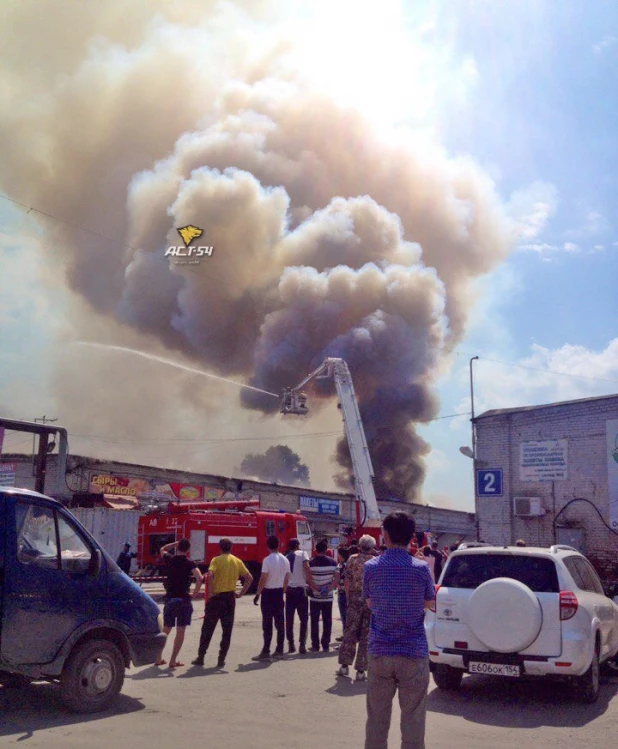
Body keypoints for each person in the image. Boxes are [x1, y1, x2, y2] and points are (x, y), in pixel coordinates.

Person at [363, 511, 436, 749]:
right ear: (412, 537)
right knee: (413, 721)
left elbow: (370, 603)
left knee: (376, 719)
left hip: (380, 650)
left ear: (384, 535)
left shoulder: (371, 567)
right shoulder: (421, 569)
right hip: (413, 651)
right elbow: (429, 602)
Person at [191, 538, 253, 669]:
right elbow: (249, 578)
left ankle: (201, 657)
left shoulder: (216, 560)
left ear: (220, 547)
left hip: (216, 598)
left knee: (207, 628)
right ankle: (221, 659)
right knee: (227, 631)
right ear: (231, 548)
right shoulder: (237, 561)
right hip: (230, 598)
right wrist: (241, 593)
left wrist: (211, 592)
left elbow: (210, 575)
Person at [156, 538, 203, 669]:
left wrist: (175, 544)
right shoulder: (190, 563)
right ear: (188, 550)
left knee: (166, 629)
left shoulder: (170, 559)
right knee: (180, 630)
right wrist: (194, 594)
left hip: (170, 599)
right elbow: (200, 578)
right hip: (183, 599)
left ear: (177, 548)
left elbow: (162, 549)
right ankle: (172, 660)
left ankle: (158, 657)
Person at [336, 534, 375, 681]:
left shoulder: (352, 559)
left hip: (354, 598)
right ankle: (361, 670)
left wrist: (347, 597)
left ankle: (344, 666)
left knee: (350, 632)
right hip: (369, 601)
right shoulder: (375, 561)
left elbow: (347, 579)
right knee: (366, 634)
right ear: (371, 547)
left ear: (360, 545)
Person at [252, 535, 291, 661]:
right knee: (280, 623)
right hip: (279, 592)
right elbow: (287, 578)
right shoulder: (285, 560)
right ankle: (279, 650)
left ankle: (266, 650)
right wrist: (283, 590)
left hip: (268, 594)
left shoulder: (267, 560)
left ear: (268, 546)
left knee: (267, 623)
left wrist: (258, 593)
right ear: (278, 545)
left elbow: (263, 578)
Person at [307, 539, 339, 652]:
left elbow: (309, 581)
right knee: (327, 620)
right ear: (326, 550)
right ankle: (325, 644)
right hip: (328, 597)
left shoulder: (310, 563)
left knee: (314, 621)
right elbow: (336, 579)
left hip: (315, 597)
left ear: (316, 550)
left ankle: (315, 645)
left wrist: (317, 589)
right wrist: (328, 588)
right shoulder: (334, 563)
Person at [285, 538, 310, 654]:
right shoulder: (303, 553)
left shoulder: (286, 557)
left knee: (289, 618)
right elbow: (306, 567)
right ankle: (302, 644)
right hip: (301, 590)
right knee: (303, 619)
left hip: (290, 590)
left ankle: (291, 644)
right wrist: (310, 581)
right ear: (297, 545)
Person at [335, 546, 350, 641]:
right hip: (350, 592)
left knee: (344, 616)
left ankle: (346, 635)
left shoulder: (340, 566)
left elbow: (337, 579)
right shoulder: (350, 564)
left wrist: (337, 585)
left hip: (342, 592)